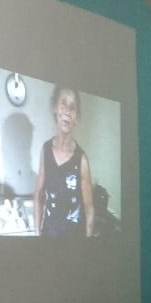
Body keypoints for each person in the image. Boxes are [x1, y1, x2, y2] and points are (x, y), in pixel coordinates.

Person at [34, 85, 95, 236]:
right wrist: (36, 235)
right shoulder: (45, 150)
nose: (68, 110)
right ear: (55, 108)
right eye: (63, 103)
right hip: (48, 237)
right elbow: (38, 196)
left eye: (73, 107)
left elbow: (90, 211)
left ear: (76, 118)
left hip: (73, 243)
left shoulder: (81, 160)